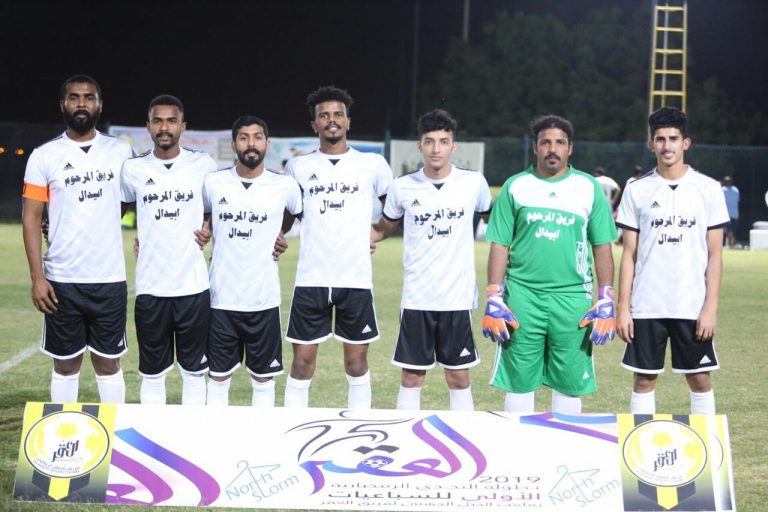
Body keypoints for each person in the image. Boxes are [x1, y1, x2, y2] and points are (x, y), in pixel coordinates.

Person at [482, 115, 617, 414]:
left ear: (570, 148)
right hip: (522, 296)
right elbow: (500, 245)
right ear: (535, 147)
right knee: (519, 380)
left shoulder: (588, 187)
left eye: (560, 143)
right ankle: (518, 442)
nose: (552, 149)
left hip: (573, 297)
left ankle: (565, 443)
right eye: (545, 143)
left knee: (569, 382)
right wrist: (494, 296)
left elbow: (602, 246)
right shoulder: (516, 186)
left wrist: (606, 297)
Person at [21, 74, 133, 404]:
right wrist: (37, 278)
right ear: (63, 105)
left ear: (100, 105)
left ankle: (114, 431)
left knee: (108, 363)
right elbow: (31, 218)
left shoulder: (120, 151)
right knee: (66, 365)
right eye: (74, 97)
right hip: (62, 279)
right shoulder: (44, 156)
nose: (81, 103)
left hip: (109, 277)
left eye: (88, 97)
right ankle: (62, 430)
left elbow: (130, 200)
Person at [371, 109, 492, 411]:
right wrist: (360, 240)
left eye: (443, 141)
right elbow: (383, 228)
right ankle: (403, 434)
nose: (436, 148)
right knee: (412, 376)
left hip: (456, 297)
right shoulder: (402, 186)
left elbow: (495, 223)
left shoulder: (473, 182)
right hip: (417, 297)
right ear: (420, 146)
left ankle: (463, 433)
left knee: (459, 376)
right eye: (429, 141)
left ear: (453, 146)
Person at [282, 86, 393, 409]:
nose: (332, 120)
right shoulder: (298, 167)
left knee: (356, 364)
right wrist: (278, 235)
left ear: (348, 121)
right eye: (324, 115)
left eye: (338, 115)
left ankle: (360, 427)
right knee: (302, 364)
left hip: (355, 279)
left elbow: (395, 208)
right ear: (314, 124)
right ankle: (292, 428)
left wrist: (378, 233)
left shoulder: (372, 164)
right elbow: (288, 214)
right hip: (311, 279)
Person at [616, 107, 729, 415]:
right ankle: (641, 442)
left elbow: (715, 255)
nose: (667, 146)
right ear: (651, 144)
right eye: (660, 139)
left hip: (691, 304)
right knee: (643, 380)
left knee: (700, 379)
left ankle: (706, 441)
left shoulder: (708, 189)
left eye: (673, 139)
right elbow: (629, 254)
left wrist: (710, 308)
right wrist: (623, 308)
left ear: (686, 143)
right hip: (647, 304)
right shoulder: (636, 189)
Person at [120, 94, 215, 405]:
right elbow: (116, 211)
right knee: (152, 374)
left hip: (193, 287)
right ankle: (153, 431)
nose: (164, 127)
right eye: (157, 121)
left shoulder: (202, 165)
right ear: (148, 126)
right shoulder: (133, 169)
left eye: (171, 121)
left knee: (194, 372)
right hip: (151, 287)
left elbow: (215, 209)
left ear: (182, 126)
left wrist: (208, 228)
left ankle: (193, 432)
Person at [203, 116, 302, 407]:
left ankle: (263, 435)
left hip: (263, 299)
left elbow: (294, 213)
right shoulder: (214, 183)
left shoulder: (284, 185)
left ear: (267, 144)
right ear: (234, 143)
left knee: (263, 379)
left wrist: (280, 234)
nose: (251, 144)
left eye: (258, 137)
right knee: (218, 378)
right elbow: (203, 217)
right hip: (221, 299)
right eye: (244, 137)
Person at [721, 175, 740, 248]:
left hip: (727, 214)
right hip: (735, 213)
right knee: (732, 230)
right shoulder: (736, 190)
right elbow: (738, 200)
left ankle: (730, 244)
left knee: (729, 230)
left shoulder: (723, 190)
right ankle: (732, 243)